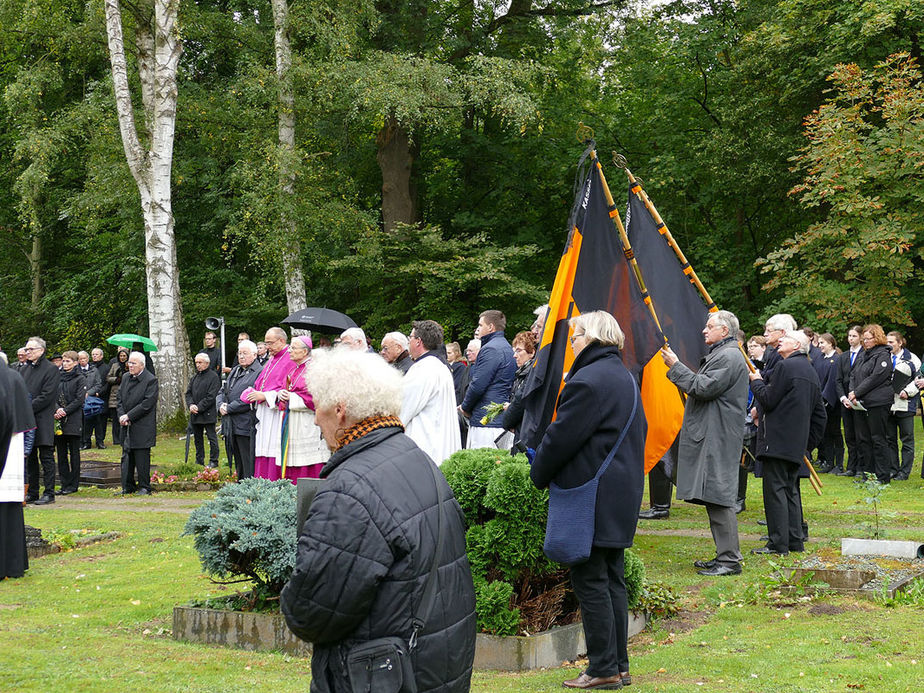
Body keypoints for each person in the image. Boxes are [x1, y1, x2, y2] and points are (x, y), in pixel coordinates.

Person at [280, 349, 476, 693]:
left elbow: (312, 612)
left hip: (383, 675)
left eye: (318, 407)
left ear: (340, 410)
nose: (314, 419)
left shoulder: (349, 491)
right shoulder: (416, 458)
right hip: (434, 664)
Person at [530, 311, 646, 690]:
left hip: (591, 494)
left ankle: (602, 668)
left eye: (576, 336)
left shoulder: (589, 379)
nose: (572, 343)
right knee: (611, 579)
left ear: (592, 336)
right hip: (619, 492)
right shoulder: (623, 375)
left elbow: (560, 437)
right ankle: (618, 664)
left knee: (591, 581)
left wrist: (538, 473)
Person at [662, 310, 749, 577]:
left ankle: (730, 560)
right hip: (715, 433)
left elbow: (703, 387)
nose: (704, 330)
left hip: (718, 436)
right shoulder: (724, 354)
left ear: (725, 331)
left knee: (720, 496)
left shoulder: (729, 356)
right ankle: (724, 555)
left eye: (709, 326)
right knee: (715, 495)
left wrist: (676, 365)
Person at [749, 331, 826, 555]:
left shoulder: (786, 366)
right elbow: (820, 415)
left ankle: (777, 544)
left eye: (787, 338)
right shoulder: (810, 371)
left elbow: (768, 399)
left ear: (797, 345)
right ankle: (794, 541)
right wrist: (806, 444)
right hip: (795, 444)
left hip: (777, 442)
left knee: (775, 493)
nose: (780, 340)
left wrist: (756, 382)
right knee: (790, 492)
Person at [401, 320, 462, 465]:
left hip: (425, 443)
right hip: (439, 441)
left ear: (418, 342)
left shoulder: (422, 369)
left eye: (410, 338)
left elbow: (402, 410)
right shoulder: (440, 366)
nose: (408, 342)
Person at [459, 310, 516, 449]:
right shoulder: (507, 347)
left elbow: (477, 385)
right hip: (499, 418)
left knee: (480, 466)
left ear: (490, 327)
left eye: (480, 325)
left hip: (486, 422)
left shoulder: (490, 349)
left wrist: (465, 407)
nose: (478, 329)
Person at [0, 357, 36, 580]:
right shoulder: (15, 377)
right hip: (13, 442)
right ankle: (14, 564)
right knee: (11, 508)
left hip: (8, 441)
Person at [244, 327, 296, 479]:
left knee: (273, 449)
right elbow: (261, 383)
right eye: (266, 343)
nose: (267, 347)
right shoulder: (271, 359)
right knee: (262, 448)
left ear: (281, 341)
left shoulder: (289, 359)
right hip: (264, 413)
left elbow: (287, 390)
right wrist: (252, 392)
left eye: (270, 343)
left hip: (277, 414)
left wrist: (265, 396)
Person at [277, 336, 329, 481]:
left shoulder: (314, 370)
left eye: (293, 348)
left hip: (307, 421)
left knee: (308, 460)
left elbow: (317, 397)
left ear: (305, 351)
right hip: (293, 420)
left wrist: (292, 398)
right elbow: (287, 389)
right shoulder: (294, 370)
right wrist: (281, 393)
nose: (289, 351)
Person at [848, 324, 893, 484]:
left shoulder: (883, 355)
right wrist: (852, 393)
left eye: (868, 339)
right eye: (864, 339)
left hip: (878, 402)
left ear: (877, 338)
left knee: (878, 439)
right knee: (864, 439)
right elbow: (853, 374)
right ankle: (869, 474)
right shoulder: (863, 355)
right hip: (860, 402)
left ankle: (882, 476)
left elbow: (875, 378)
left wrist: (856, 392)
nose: (865, 342)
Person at [21, 337, 60, 505]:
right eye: (26, 349)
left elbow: (47, 395)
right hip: (27, 419)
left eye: (30, 349)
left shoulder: (51, 369)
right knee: (30, 458)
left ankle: (49, 493)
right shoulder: (23, 370)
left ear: (41, 350)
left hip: (42, 417)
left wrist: (27, 408)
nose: (27, 352)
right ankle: (33, 491)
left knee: (46, 456)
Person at [217, 340, 263, 479]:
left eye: (245, 353)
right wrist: (220, 405)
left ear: (254, 355)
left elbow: (250, 397)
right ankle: (240, 487)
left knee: (247, 460)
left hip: (246, 423)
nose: (241, 356)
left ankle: (249, 490)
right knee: (237, 460)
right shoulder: (236, 370)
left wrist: (229, 408)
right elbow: (222, 391)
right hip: (231, 424)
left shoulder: (259, 372)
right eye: (239, 353)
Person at [117, 351, 159, 495]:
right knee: (127, 455)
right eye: (129, 362)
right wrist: (122, 415)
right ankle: (127, 485)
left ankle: (144, 486)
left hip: (142, 424)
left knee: (141, 456)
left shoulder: (150, 380)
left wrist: (129, 416)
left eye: (133, 363)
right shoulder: (125, 377)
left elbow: (147, 404)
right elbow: (119, 398)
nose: (130, 365)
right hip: (126, 424)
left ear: (142, 365)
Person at [886, 331, 919, 481]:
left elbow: (919, 379)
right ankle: (893, 469)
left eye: (892, 342)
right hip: (887, 404)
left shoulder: (912, 358)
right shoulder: (884, 357)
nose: (889, 345)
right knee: (890, 439)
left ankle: (904, 472)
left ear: (900, 343)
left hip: (905, 404)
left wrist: (908, 391)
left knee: (907, 439)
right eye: (887, 342)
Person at [55, 351, 87, 496]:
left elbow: (79, 399)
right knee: (61, 453)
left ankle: (73, 483)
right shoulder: (58, 377)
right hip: (58, 417)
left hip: (73, 418)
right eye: (64, 361)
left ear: (75, 363)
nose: (65, 363)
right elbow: (52, 394)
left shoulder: (80, 378)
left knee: (74, 452)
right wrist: (57, 409)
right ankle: (64, 482)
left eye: (68, 361)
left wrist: (65, 411)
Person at [836, 325, 864, 476]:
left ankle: (861, 467)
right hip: (846, 401)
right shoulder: (843, 357)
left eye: (854, 336)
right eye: (849, 336)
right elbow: (838, 380)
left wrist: (856, 396)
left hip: (859, 399)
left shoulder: (865, 354)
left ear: (860, 337)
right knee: (849, 434)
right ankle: (851, 466)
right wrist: (843, 398)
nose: (850, 339)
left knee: (860, 434)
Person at [500, 331, 536, 446]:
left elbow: (520, 405)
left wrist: (509, 419)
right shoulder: (521, 373)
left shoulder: (530, 375)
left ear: (532, 353)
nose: (514, 355)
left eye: (519, 350)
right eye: (514, 350)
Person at [185, 353, 221, 468]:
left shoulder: (213, 377)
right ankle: (199, 460)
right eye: (196, 362)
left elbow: (211, 396)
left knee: (211, 437)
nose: (198, 365)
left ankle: (214, 460)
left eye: (200, 362)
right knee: (197, 438)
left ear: (207, 363)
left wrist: (199, 407)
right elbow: (188, 393)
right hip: (195, 413)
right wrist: (191, 405)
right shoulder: (195, 377)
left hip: (208, 412)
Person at [817, 333, 845, 474]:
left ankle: (839, 464)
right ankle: (828, 462)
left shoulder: (837, 359)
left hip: (832, 403)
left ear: (831, 343)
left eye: (823, 343)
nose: (820, 345)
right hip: (821, 402)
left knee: (835, 432)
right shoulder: (820, 359)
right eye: (819, 343)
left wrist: (826, 399)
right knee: (825, 433)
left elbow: (833, 382)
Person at [77, 351, 103, 450]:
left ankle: (99, 442)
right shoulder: (76, 370)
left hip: (92, 400)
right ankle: (85, 442)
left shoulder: (94, 370)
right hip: (80, 399)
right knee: (82, 422)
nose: (82, 361)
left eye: (84, 358)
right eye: (80, 359)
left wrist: (89, 392)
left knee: (96, 421)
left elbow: (98, 384)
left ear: (88, 359)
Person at [106, 349, 130, 446]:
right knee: (115, 419)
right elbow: (108, 378)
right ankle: (116, 439)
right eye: (121, 356)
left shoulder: (130, 365)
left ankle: (124, 437)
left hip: (127, 393)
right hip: (115, 394)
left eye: (124, 356)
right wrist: (116, 379)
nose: (122, 357)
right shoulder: (115, 366)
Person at [89, 347, 110, 448]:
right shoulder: (90, 367)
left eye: (96, 354)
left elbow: (107, 383)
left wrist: (99, 393)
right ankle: (86, 441)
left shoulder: (106, 367)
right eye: (93, 354)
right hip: (89, 397)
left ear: (101, 356)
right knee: (89, 419)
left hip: (102, 397)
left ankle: (100, 441)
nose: (94, 356)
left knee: (101, 421)